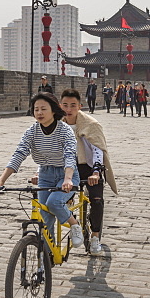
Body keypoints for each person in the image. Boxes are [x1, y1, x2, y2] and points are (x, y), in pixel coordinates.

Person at [0, 93, 83, 246]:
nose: (39, 113)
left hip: (65, 173)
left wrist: (68, 178)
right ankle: (45, 258)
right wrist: (1, 180)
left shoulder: (65, 130)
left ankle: (75, 225)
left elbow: (70, 154)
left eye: (43, 109)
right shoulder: (32, 131)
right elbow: (19, 153)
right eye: (36, 109)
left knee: (54, 203)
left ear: (53, 110)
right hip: (45, 174)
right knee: (45, 217)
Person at [58, 89, 119, 256]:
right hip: (67, 167)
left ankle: (95, 236)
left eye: (72, 105)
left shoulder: (90, 124)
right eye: (65, 105)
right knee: (56, 198)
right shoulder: (57, 124)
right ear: (59, 105)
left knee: (96, 200)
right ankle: (73, 224)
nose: (68, 109)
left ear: (80, 107)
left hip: (89, 167)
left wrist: (97, 173)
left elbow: (97, 149)